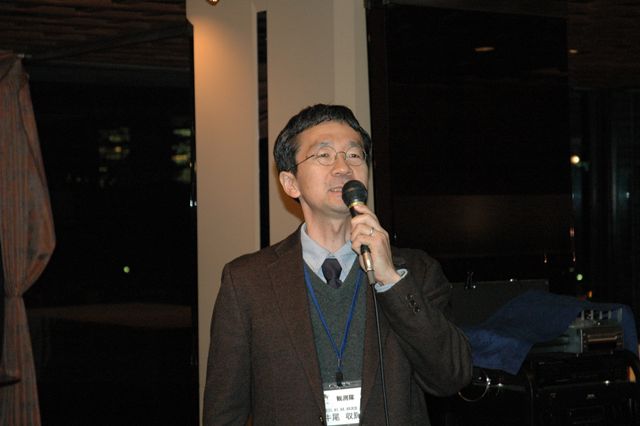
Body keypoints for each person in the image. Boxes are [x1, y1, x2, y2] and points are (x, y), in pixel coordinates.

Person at [203, 104, 472, 425]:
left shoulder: (415, 270)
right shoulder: (247, 281)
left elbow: (451, 377)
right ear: (290, 183)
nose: (343, 167)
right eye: (324, 155)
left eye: (355, 155)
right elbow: (224, 411)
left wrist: (390, 280)